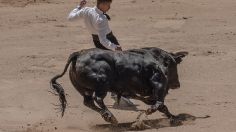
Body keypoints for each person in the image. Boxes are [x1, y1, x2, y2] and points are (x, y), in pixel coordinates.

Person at [67, 0, 134, 106]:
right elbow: (103, 40)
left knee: (110, 66)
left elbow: (70, 17)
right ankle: (119, 94)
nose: (109, 8)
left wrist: (79, 6)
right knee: (120, 65)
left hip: (96, 41)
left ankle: (117, 93)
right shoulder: (101, 19)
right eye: (108, 5)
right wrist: (114, 47)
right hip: (108, 40)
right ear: (102, 4)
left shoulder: (86, 10)